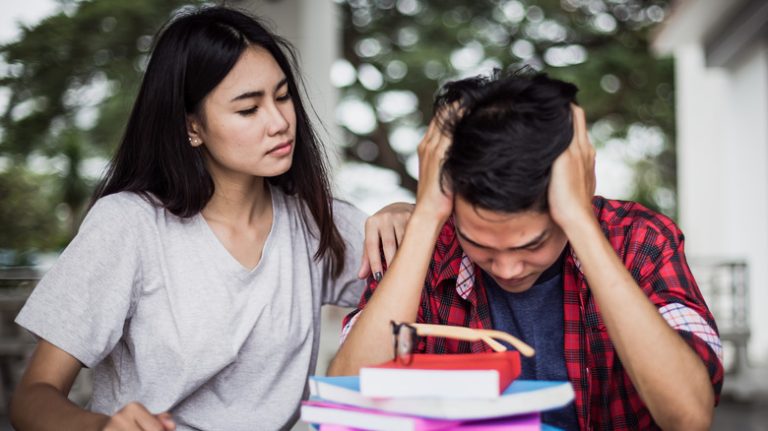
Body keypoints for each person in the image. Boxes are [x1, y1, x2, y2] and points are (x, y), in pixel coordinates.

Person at [10, 6, 410, 431]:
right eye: (248, 109)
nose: (280, 123)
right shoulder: (128, 225)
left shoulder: (314, 219)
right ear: (192, 128)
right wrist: (101, 428)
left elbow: (432, 282)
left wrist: (409, 215)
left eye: (282, 96)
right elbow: (32, 399)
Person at [329, 72, 724, 430]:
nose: (508, 268)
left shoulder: (640, 240)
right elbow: (346, 401)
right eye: (479, 243)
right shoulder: (426, 249)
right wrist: (426, 217)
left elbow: (688, 416)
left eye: (533, 243)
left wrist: (580, 221)